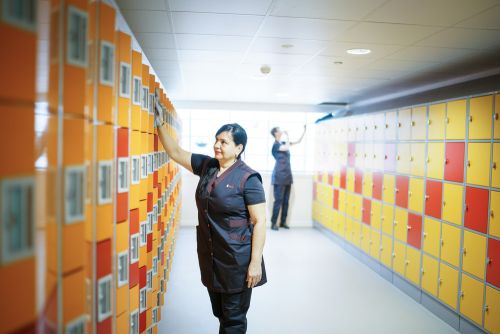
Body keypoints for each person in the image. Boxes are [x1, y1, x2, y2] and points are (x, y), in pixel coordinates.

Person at [154, 97, 267, 334]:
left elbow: (259, 222)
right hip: (211, 256)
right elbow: (175, 152)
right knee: (220, 313)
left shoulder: (249, 178)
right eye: (216, 139)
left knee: (233, 320)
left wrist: (255, 262)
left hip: (237, 260)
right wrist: (159, 124)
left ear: (239, 148)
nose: (217, 145)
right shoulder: (208, 166)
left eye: (224, 142)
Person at [269, 125, 306, 231]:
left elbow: (298, 141)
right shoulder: (275, 145)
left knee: (286, 201)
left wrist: (304, 130)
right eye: (279, 130)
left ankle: (283, 222)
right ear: (276, 133)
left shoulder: (283, 143)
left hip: (287, 176)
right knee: (278, 200)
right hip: (279, 176)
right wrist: (287, 135)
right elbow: (286, 147)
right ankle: (273, 223)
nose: (281, 131)